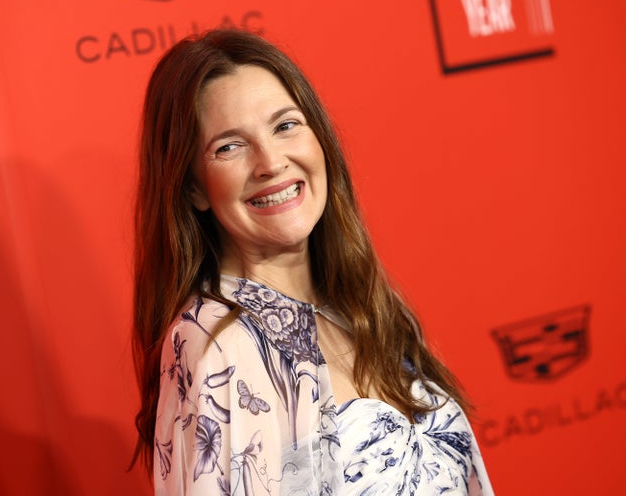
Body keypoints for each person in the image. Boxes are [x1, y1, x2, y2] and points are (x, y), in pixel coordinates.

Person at [132, 29, 493, 495]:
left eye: (285, 125)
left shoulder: (365, 305)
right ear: (193, 187)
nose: (271, 162)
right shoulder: (218, 342)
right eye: (229, 147)